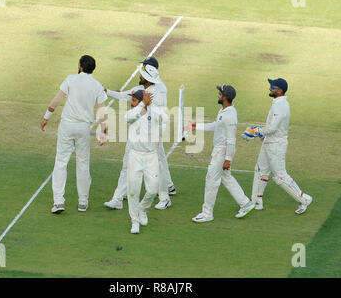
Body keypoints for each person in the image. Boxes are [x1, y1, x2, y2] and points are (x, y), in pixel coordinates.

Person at [103, 57, 174, 211]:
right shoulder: (144, 90)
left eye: (142, 72)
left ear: (147, 77)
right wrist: (106, 91)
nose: (139, 75)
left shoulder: (159, 92)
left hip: (151, 137)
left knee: (157, 167)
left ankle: (165, 197)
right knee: (126, 164)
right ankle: (117, 198)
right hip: (136, 135)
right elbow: (126, 96)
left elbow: (159, 116)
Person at [41, 55, 108, 214]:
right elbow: (102, 111)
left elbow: (56, 100)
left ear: (81, 66)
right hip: (83, 128)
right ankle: (83, 202)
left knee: (61, 162)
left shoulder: (71, 79)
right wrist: (104, 132)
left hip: (67, 125)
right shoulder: (97, 85)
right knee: (83, 163)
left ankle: (58, 202)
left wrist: (46, 117)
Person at [242, 78, 313, 214]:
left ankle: (304, 199)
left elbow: (273, 128)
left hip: (276, 145)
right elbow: (272, 127)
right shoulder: (278, 103)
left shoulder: (281, 105)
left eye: (272, 87)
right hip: (269, 142)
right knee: (260, 170)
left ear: (280, 90)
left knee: (280, 176)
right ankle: (256, 201)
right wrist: (260, 133)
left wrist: (256, 131)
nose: (270, 88)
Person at [186, 85, 255, 223]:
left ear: (225, 97)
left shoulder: (229, 116)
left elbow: (231, 140)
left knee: (211, 180)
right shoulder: (224, 111)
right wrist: (196, 126)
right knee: (226, 178)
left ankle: (207, 213)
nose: (218, 94)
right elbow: (215, 125)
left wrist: (228, 159)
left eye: (220, 93)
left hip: (222, 152)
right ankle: (245, 203)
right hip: (220, 151)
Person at [125, 90, 168, 234]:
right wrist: (142, 104)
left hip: (151, 156)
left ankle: (142, 209)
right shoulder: (132, 114)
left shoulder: (154, 111)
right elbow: (128, 118)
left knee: (153, 190)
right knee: (133, 191)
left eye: (134, 101)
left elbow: (165, 119)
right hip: (135, 156)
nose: (131, 103)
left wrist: (151, 104)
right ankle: (134, 221)